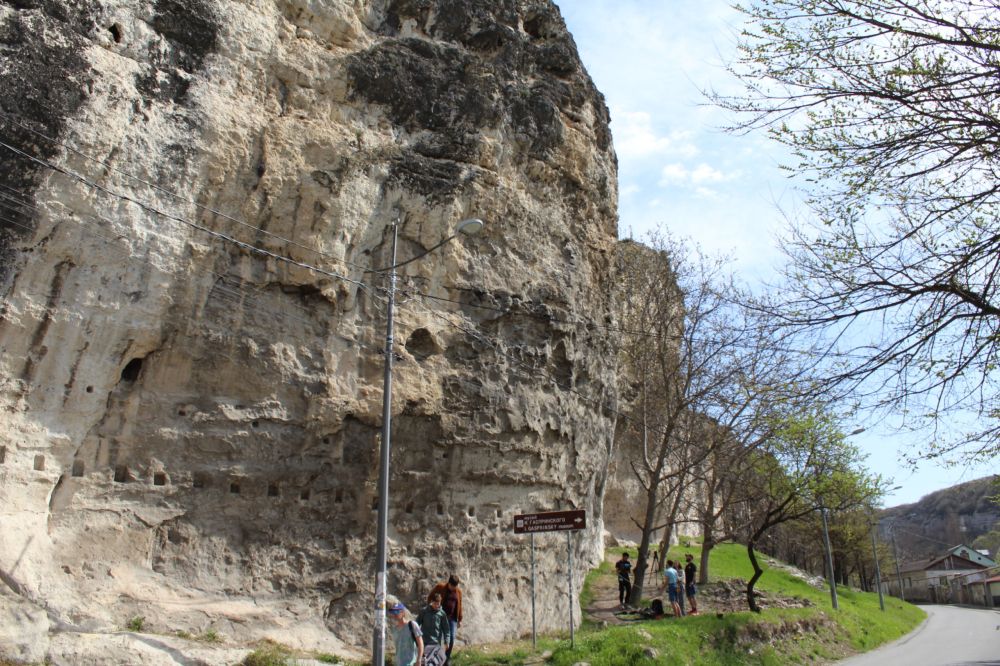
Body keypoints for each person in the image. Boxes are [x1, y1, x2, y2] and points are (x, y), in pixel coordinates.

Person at [428, 574, 463, 662]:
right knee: (437, 637)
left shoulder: (458, 592)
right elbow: (430, 597)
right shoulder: (440, 587)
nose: (453, 588)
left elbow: (459, 605)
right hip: (440, 617)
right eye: (452, 586)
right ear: (449, 583)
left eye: (455, 586)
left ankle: (446, 658)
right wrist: (432, 609)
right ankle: (436, 657)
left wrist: (459, 619)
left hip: (452, 619)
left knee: (451, 638)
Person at [416, 593, 450, 666]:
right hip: (424, 643)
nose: (437, 606)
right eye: (435, 604)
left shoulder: (442, 614)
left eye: (438, 604)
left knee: (434, 663)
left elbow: (446, 629)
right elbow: (416, 624)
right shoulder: (424, 611)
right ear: (431, 602)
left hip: (436, 644)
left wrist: (447, 641)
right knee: (424, 663)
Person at [387, 602, 423, 666]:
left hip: (411, 663)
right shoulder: (394, 629)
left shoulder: (412, 625)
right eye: (393, 612)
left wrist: (419, 660)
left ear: (403, 613)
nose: (394, 614)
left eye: (397, 612)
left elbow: (421, 644)